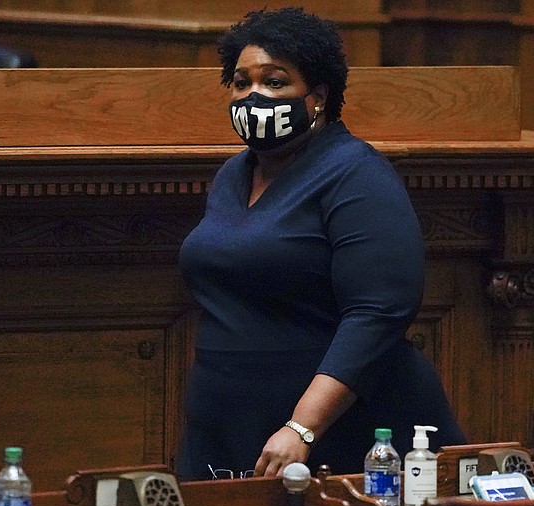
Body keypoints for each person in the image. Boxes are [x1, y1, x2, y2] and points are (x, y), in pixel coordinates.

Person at [176, 7, 466, 481]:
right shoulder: (233, 174)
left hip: (335, 436)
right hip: (226, 426)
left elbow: (377, 311)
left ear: (318, 97)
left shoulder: (356, 174)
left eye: (274, 82)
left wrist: (302, 428)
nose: (253, 96)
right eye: (240, 81)